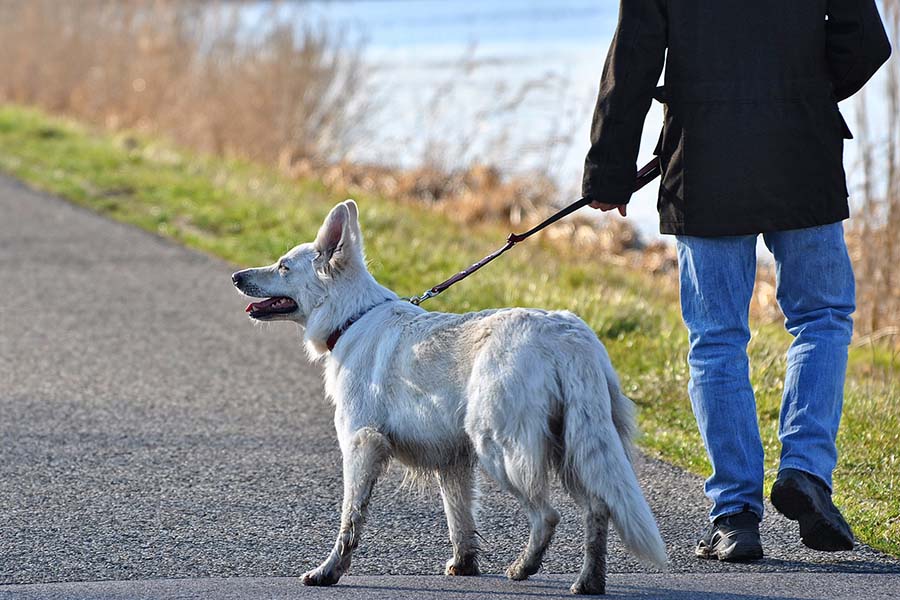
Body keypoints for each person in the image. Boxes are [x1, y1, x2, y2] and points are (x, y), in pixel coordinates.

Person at [582, 1, 891, 561]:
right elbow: (866, 44)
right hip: (804, 153)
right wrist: (803, 91)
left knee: (717, 338)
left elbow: (633, 60)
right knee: (822, 318)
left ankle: (735, 516)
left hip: (704, 162)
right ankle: (806, 472)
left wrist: (608, 168)